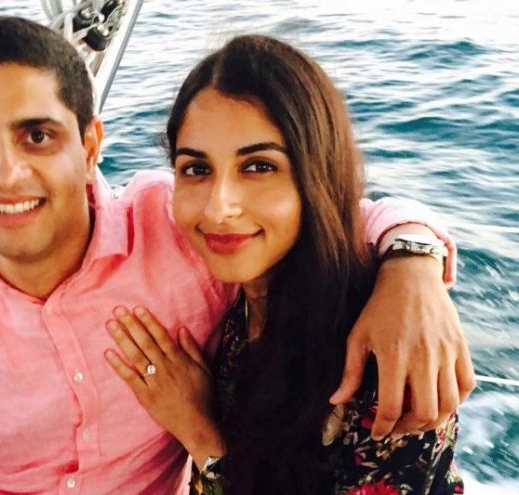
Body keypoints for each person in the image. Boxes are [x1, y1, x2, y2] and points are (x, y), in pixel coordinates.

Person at [0, 16, 472, 494]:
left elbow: (330, 217)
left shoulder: (181, 234)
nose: (7, 173)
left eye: (37, 135)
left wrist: (411, 266)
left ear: (89, 146)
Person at [104, 35, 467, 494]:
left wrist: (200, 434)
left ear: (317, 174)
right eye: (197, 169)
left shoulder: (382, 354)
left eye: (259, 166)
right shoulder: (246, 288)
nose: (219, 208)